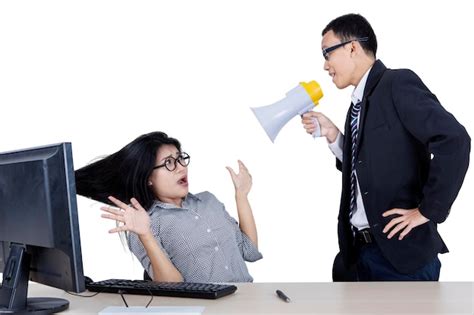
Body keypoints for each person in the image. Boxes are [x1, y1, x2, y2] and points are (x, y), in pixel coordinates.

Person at [301, 13, 470, 281]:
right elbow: (369, 167)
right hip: (358, 255)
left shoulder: (397, 84)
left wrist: (428, 210)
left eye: (327, 53)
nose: (325, 65)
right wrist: (333, 135)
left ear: (352, 47)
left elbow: (455, 140)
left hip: (400, 259)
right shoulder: (358, 103)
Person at [75, 131, 262, 283]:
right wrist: (145, 234)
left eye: (180, 159)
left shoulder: (209, 201)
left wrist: (241, 196)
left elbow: (249, 250)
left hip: (247, 302)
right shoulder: (144, 223)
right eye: (169, 163)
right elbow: (171, 286)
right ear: (148, 177)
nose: (181, 167)